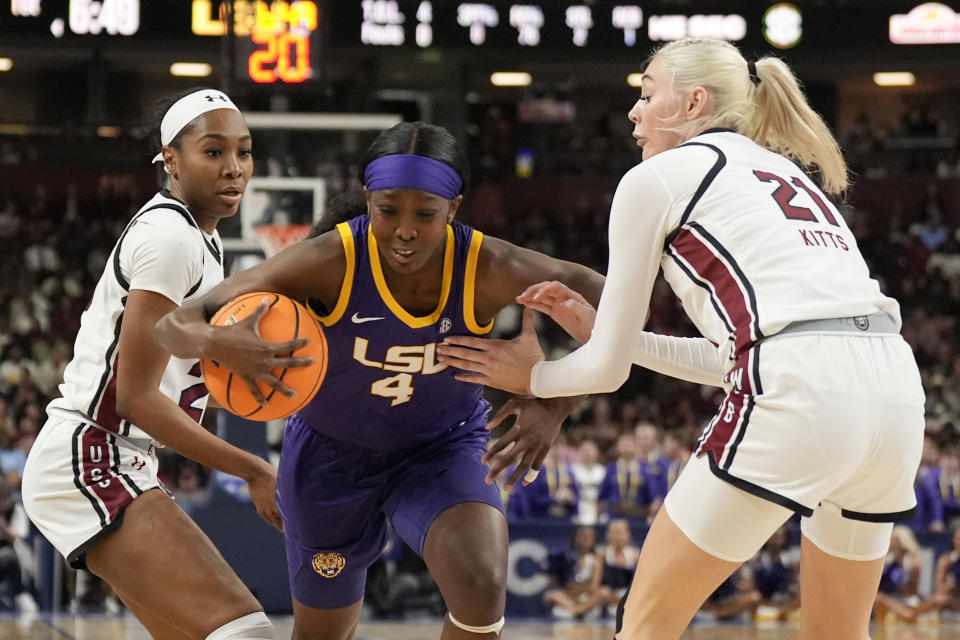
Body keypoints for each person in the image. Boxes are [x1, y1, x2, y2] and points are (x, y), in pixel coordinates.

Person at [437, 36, 925, 639]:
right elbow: (746, 355)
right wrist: (625, 339)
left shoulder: (660, 177)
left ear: (694, 102)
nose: (633, 113)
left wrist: (532, 376)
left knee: (645, 623)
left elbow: (606, 374)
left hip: (802, 388)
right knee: (838, 634)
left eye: (646, 94)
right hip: (895, 394)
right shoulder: (785, 173)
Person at [154, 121, 605, 639]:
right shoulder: (332, 259)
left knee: (482, 586)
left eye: (426, 215)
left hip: (442, 447)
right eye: (388, 211)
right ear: (368, 200)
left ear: (454, 208)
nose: (405, 230)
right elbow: (174, 325)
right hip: (331, 457)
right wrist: (217, 341)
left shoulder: (490, 265)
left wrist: (555, 398)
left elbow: (616, 301)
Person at [20, 88, 277, 639]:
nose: (234, 168)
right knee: (244, 632)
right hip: (90, 455)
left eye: (244, 151)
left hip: (119, 456)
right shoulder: (170, 238)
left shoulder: (201, 238)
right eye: (213, 152)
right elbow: (135, 397)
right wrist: (254, 469)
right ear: (170, 158)